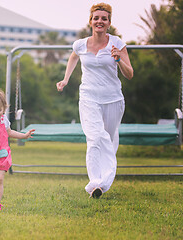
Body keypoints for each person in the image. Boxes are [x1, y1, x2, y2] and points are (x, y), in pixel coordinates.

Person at [56, 3, 133, 199]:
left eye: (104, 19)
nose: (99, 21)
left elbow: (130, 74)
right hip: (88, 97)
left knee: (109, 138)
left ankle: (103, 182)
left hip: (113, 99)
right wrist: (65, 79)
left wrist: (119, 60)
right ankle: (95, 183)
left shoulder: (117, 44)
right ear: (91, 21)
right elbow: (73, 58)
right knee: (95, 137)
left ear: (109, 23)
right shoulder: (80, 44)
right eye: (96, 18)